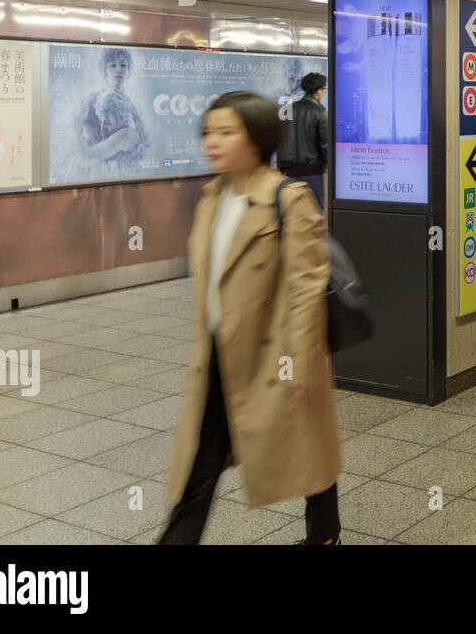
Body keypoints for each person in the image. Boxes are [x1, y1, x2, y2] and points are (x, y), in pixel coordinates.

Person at [160, 91, 341, 544]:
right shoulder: (211, 198)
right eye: (207, 132)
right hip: (220, 356)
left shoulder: (287, 198)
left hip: (275, 356)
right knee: (199, 467)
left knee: (308, 450)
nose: (212, 142)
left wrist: (301, 359)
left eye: (226, 132)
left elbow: (307, 285)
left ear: (257, 138)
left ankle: (325, 535)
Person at [75, 47, 149, 175]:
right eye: (112, 65)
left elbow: (146, 143)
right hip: (100, 166)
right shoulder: (91, 101)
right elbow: (89, 143)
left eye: (123, 65)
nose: (118, 69)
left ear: (129, 70)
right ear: (104, 71)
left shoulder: (134, 105)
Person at [275, 72, 330, 211]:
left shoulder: (287, 109)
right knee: (315, 211)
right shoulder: (320, 111)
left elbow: (279, 139)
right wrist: (326, 164)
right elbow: (325, 144)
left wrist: (281, 165)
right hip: (312, 171)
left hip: (289, 170)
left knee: (291, 211)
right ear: (318, 91)